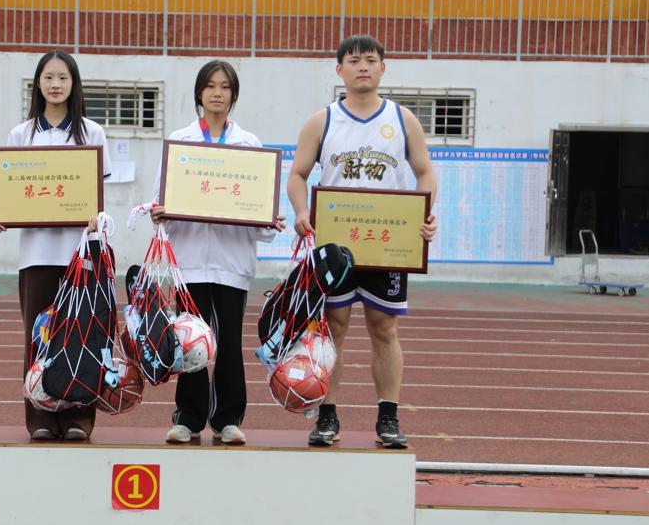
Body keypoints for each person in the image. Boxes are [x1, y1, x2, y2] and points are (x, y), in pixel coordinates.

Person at [287, 34, 437, 449]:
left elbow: (425, 172)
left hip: (387, 242)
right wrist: (301, 211)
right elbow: (297, 174)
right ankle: (327, 417)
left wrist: (425, 213)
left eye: (371, 60)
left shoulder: (403, 119)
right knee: (332, 327)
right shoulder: (322, 121)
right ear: (340, 70)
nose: (363, 67)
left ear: (383, 68)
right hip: (336, 244)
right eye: (354, 61)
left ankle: (388, 419)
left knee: (384, 327)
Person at [149, 61, 284, 446]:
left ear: (233, 95)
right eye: (210, 86)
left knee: (227, 347)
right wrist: (159, 212)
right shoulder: (180, 142)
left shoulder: (250, 146)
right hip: (190, 262)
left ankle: (228, 420)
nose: (217, 93)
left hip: (231, 263)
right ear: (199, 93)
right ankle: (188, 419)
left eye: (225, 86)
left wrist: (269, 219)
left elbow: (260, 221)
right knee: (190, 342)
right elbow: (161, 201)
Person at [0, 50, 112, 441]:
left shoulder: (92, 133)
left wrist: (96, 218)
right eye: (48, 77)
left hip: (81, 252)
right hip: (37, 253)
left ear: (74, 84)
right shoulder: (21, 135)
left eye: (63, 78)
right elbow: (8, 194)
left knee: (84, 333)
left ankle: (79, 418)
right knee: (38, 337)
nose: (55, 84)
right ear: (37, 83)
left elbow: (99, 196)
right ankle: (39, 417)